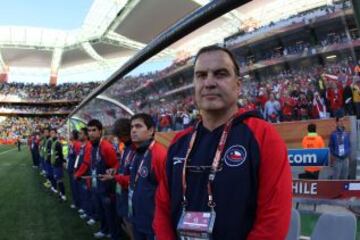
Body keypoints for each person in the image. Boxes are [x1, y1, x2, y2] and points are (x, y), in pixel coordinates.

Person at [154, 46, 292, 240]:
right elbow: (162, 207)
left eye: (220, 74)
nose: (209, 82)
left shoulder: (263, 136)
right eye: (201, 75)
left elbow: (273, 221)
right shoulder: (179, 142)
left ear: (238, 85)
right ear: (194, 84)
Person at [74, 119, 119, 240]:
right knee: (101, 210)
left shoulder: (106, 147)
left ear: (100, 131)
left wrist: (112, 172)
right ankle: (104, 230)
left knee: (109, 213)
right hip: (96, 185)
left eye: (94, 130)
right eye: (89, 130)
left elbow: (115, 165)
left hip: (106, 188)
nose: (91, 133)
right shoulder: (93, 147)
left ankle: (113, 233)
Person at [99, 118, 135, 239]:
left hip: (131, 197)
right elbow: (123, 166)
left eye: (119, 136)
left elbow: (136, 178)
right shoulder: (126, 148)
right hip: (123, 194)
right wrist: (115, 170)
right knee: (126, 223)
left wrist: (115, 177)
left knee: (132, 226)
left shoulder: (136, 149)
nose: (118, 139)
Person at [75, 127, 96, 225]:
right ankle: (87, 211)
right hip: (82, 175)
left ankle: (92, 216)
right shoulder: (82, 146)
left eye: (81, 134)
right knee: (85, 194)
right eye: (79, 134)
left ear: (86, 136)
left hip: (87, 176)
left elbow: (86, 163)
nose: (79, 135)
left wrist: (78, 173)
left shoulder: (88, 146)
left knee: (89, 195)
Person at [49, 128, 67, 201]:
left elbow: (61, 154)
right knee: (57, 179)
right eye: (51, 133)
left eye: (53, 133)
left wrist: (62, 162)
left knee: (59, 180)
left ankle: (63, 195)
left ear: (56, 134)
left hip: (57, 164)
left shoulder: (58, 143)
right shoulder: (53, 142)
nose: (52, 134)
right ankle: (61, 193)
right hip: (54, 164)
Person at [67, 130, 82, 209]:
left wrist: (75, 169)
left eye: (71, 134)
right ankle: (76, 202)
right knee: (73, 188)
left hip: (74, 170)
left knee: (76, 188)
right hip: (70, 169)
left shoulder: (77, 144)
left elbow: (78, 158)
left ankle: (78, 203)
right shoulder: (72, 144)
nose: (69, 135)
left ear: (74, 136)